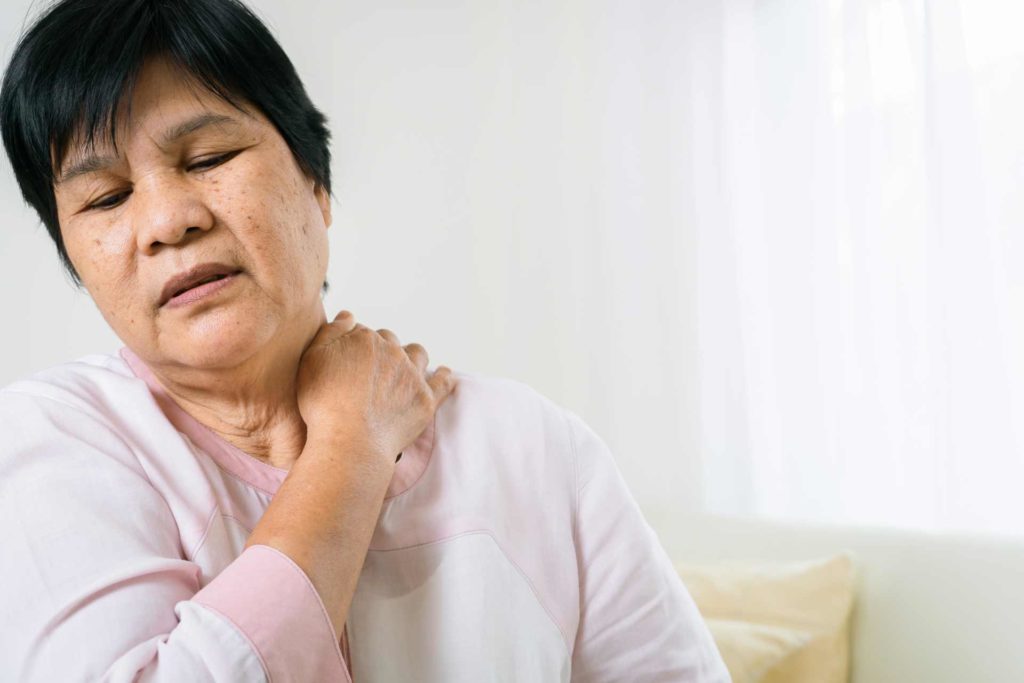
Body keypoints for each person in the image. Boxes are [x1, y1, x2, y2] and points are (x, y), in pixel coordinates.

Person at [0, 0, 730, 681]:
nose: (167, 221)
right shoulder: (51, 442)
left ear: (316, 182)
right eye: (105, 197)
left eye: (208, 159)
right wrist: (350, 447)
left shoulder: (534, 447)